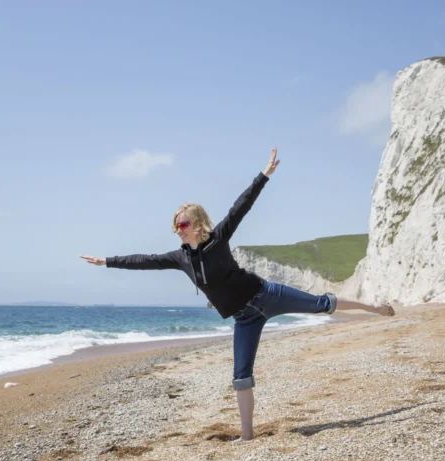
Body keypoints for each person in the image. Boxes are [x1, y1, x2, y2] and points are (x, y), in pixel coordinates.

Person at [80, 147, 394, 441]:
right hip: (244, 319)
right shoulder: (179, 258)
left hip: (267, 295)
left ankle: (375, 308)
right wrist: (107, 261)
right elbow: (143, 261)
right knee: (241, 375)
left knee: (321, 304)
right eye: (175, 226)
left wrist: (264, 175)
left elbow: (241, 206)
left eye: (183, 224)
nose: (178, 229)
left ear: (198, 223)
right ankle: (247, 435)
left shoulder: (219, 238)